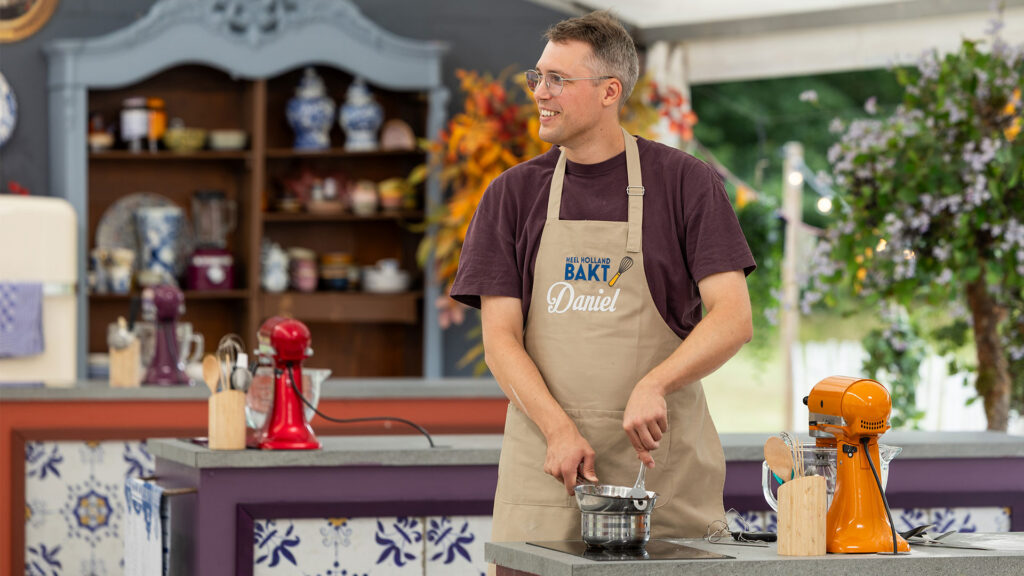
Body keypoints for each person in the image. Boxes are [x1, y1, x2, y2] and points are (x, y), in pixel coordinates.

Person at [449, 10, 756, 544]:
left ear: (610, 90)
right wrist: (558, 429)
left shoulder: (686, 183)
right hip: (550, 468)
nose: (540, 92)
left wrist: (655, 382)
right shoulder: (511, 195)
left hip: (662, 473)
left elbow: (733, 317)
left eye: (558, 80)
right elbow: (500, 341)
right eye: (538, 77)